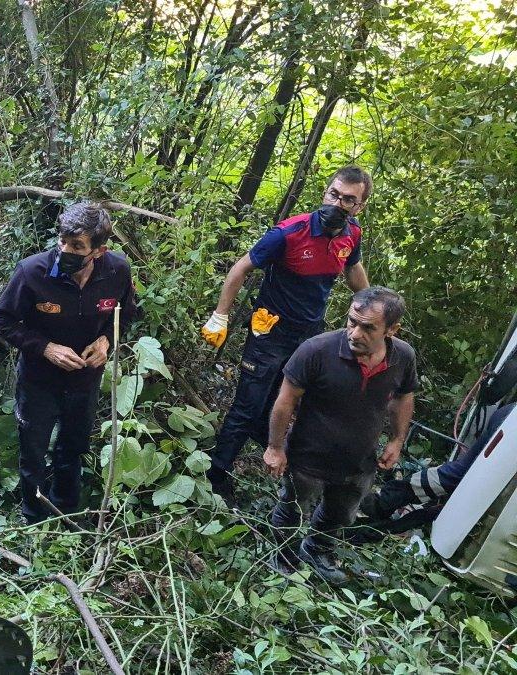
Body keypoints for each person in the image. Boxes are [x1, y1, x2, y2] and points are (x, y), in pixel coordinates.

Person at [202, 166, 374, 504]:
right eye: (334, 194)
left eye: (349, 200)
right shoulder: (289, 233)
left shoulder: (351, 235)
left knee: (283, 397)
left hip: (308, 335)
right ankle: (216, 474)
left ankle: (265, 444)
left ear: (360, 206)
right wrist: (220, 315)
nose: (338, 204)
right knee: (247, 404)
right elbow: (241, 267)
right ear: (325, 192)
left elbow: (353, 270)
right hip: (269, 329)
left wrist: (371, 313)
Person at [0, 203, 140, 524]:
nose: (65, 250)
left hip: (85, 381)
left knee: (72, 449)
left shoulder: (117, 272)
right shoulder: (33, 272)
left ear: (99, 251)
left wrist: (107, 341)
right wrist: (45, 347)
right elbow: (2, 320)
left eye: (76, 246)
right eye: (62, 241)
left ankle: (66, 515)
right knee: (33, 452)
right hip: (38, 381)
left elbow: (126, 313)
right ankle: (32, 518)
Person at [264, 286, 417, 583]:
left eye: (368, 327)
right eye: (352, 322)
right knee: (293, 507)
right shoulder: (316, 350)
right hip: (308, 456)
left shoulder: (402, 357)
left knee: (340, 515)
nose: (355, 333)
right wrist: (275, 447)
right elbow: (285, 400)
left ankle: (317, 550)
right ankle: (283, 557)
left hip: (359, 460)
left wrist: (397, 440)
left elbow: (404, 397)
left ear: (392, 329)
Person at [356, 402, 514, 534]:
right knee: (460, 475)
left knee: (463, 476)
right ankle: (383, 503)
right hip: (511, 424)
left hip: (510, 417)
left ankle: (387, 510)